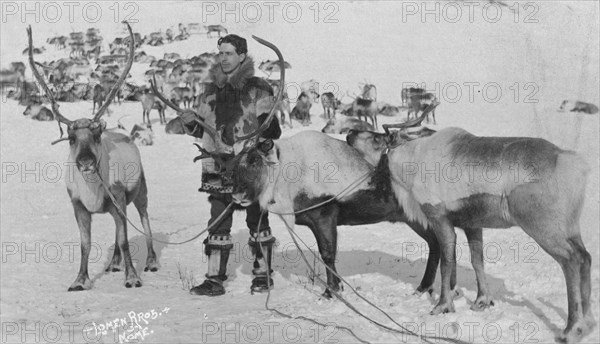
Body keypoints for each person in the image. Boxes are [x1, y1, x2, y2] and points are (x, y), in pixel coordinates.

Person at [181, 34, 280, 296]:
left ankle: (262, 274)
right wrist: (190, 122)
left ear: (242, 56)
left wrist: (268, 123)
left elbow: (273, 131)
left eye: (229, 53)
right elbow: (199, 129)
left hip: (250, 166)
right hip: (217, 165)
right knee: (218, 220)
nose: (223, 57)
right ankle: (214, 279)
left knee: (257, 218)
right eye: (220, 53)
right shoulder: (209, 91)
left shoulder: (259, 88)